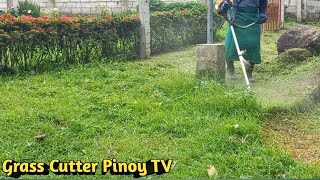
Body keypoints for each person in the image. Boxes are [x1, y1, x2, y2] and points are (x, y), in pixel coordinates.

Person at [221, 0, 268, 82]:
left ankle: (249, 73)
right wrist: (225, 6)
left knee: (253, 44)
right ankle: (230, 70)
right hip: (236, 15)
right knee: (231, 44)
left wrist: (262, 13)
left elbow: (263, 2)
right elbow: (227, 2)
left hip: (253, 17)